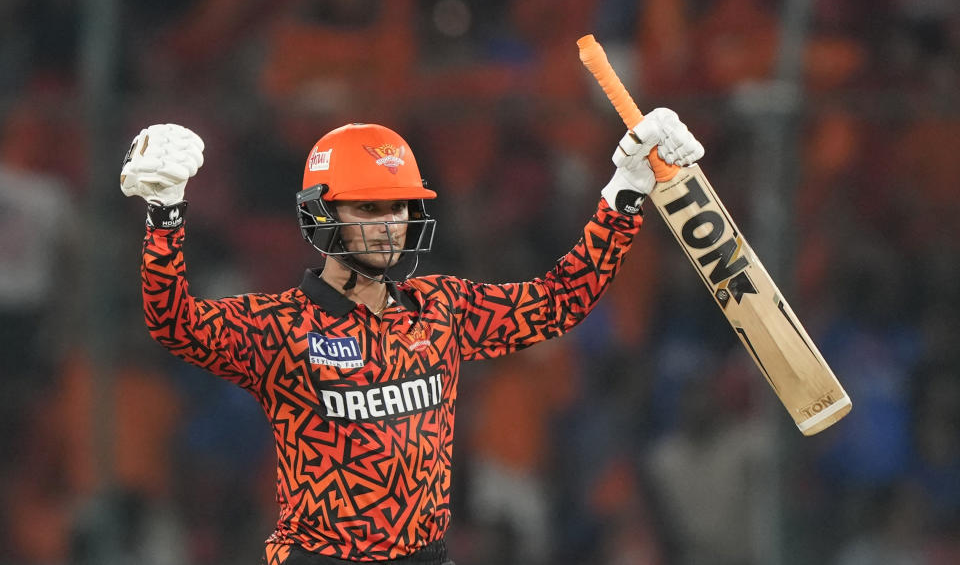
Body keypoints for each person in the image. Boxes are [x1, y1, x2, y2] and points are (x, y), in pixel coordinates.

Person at [120, 113, 704, 564]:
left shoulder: (441, 309)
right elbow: (175, 324)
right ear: (321, 215)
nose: (390, 223)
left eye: (399, 207)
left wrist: (623, 196)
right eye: (368, 207)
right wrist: (165, 216)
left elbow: (558, 302)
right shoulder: (281, 327)